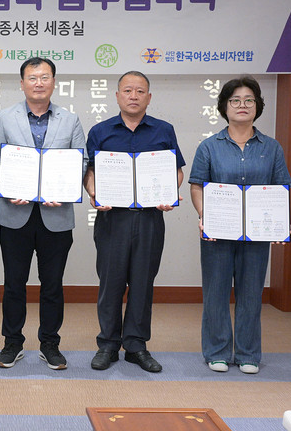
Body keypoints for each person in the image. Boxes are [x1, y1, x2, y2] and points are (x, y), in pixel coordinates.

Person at [189, 75, 291, 375]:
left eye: (249, 100)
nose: (242, 105)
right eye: (235, 100)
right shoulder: (209, 146)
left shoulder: (272, 148)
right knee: (216, 294)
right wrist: (204, 216)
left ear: (258, 106)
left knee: (251, 295)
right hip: (218, 234)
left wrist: (283, 224)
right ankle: (217, 352)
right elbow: (197, 186)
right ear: (225, 106)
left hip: (257, 235)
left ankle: (248, 354)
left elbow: (281, 188)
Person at [83, 71, 185, 373]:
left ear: (149, 97)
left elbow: (177, 170)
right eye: (127, 90)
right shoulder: (100, 131)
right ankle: (108, 344)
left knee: (142, 283)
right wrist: (93, 193)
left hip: (150, 218)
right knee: (111, 283)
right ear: (117, 96)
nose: (133, 96)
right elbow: (90, 172)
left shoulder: (163, 130)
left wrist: (169, 193)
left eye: (140, 91)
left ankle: (136, 346)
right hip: (112, 218)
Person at [0, 57, 87, 370]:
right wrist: (8, 187)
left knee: (53, 284)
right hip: (15, 213)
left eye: (45, 77)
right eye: (32, 78)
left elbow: (81, 161)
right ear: (22, 83)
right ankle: (12, 343)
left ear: (53, 82)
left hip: (55, 216)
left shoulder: (70, 119)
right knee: (13, 283)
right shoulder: (5, 117)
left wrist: (65, 190)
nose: (38, 83)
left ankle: (50, 343)